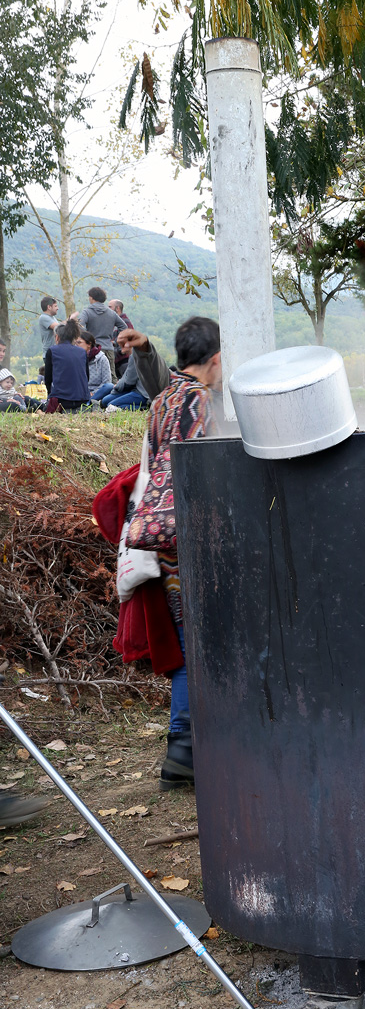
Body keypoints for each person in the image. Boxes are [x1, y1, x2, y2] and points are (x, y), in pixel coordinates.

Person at [117, 319, 223, 788]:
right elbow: (204, 474)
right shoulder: (200, 400)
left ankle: (186, 748)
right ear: (216, 359)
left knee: (184, 641)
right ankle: (183, 750)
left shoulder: (163, 399)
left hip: (157, 535)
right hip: (187, 538)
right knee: (195, 644)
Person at [77, 287, 127, 382]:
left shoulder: (87, 312)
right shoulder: (112, 313)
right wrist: (115, 341)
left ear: (92, 298)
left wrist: (88, 340)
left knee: (91, 377)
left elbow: (80, 326)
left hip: (93, 349)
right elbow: (124, 327)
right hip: (109, 348)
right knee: (111, 377)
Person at [44, 319, 91, 412]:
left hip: (61, 401)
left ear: (57, 337)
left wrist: (50, 395)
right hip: (82, 400)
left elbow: (48, 378)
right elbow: (87, 376)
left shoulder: (52, 350)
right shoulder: (82, 351)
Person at [75, 329, 112, 394]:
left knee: (109, 386)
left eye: (79, 343)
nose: (76, 345)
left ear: (89, 344)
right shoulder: (75, 358)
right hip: (80, 392)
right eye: (75, 343)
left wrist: (93, 393)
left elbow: (106, 381)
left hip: (97, 392)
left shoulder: (102, 359)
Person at [108, 299, 134, 377]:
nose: (108, 309)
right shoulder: (114, 322)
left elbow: (128, 340)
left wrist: (114, 346)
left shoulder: (125, 323)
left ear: (118, 308)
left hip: (123, 361)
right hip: (116, 362)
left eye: (110, 307)